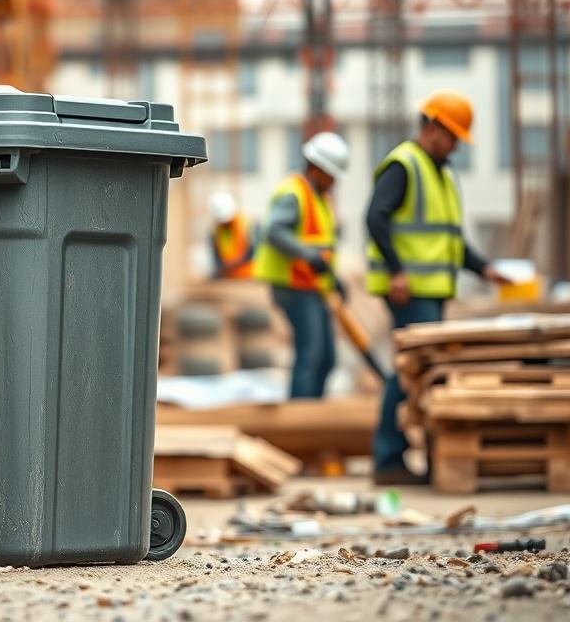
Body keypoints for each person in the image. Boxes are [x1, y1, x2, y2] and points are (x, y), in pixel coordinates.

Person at [366, 90, 509, 486]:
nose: (457, 146)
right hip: (409, 291)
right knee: (410, 372)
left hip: (431, 289)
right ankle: (388, 459)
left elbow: (450, 239)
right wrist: (397, 271)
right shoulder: (404, 165)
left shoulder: (440, 173)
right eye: (454, 137)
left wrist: (485, 269)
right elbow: (375, 218)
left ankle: (427, 458)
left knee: (424, 373)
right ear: (433, 128)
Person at [253, 131, 350, 399]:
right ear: (317, 168)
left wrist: (334, 280)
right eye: (332, 175)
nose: (334, 182)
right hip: (292, 285)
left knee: (327, 358)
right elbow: (274, 232)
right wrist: (309, 256)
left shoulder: (320, 198)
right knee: (310, 354)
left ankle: (313, 419)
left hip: (312, 286)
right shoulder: (293, 193)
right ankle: (300, 415)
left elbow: (321, 246)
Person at [209, 192, 255, 280]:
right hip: (227, 277)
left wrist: (236, 262)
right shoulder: (216, 230)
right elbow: (216, 257)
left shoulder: (246, 224)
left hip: (248, 276)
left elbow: (254, 251)